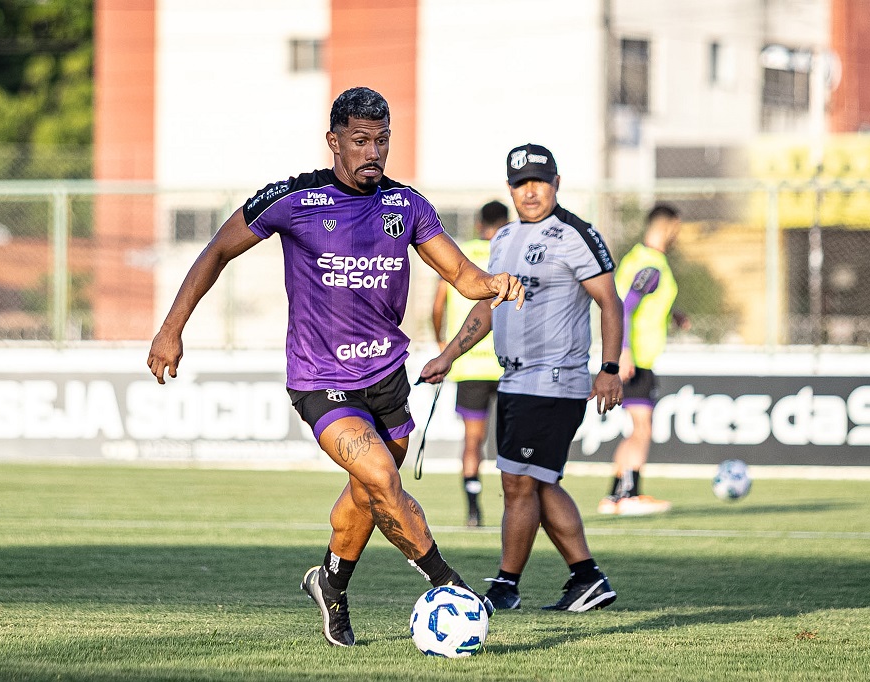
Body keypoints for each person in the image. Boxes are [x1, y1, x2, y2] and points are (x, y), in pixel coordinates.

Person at [147, 87, 525, 647]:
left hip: (388, 377)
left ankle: (331, 583)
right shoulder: (294, 199)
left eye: (382, 140)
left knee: (368, 495)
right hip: (322, 380)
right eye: (361, 140)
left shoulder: (407, 206)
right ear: (334, 142)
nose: (374, 152)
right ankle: (453, 587)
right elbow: (217, 251)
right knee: (380, 479)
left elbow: (464, 278)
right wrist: (171, 327)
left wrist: (494, 283)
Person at [420, 143, 624, 612]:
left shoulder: (576, 234)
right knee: (536, 481)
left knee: (518, 481)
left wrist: (610, 369)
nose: (529, 191)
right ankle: (586, 577)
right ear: (509, 188)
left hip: (555, 380)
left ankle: (506, 586)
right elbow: (488, 305)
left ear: (556, 182)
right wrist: (449, 354)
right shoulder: (503, 238)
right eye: (519, 183)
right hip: (514, 380)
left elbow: (609, 302)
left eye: (538, 181)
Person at [597, 204, 688, 516]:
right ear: (669, 227)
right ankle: (629, 495)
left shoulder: (639, 258)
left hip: (635, 356)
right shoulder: (651, 264)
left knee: (636, 429)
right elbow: (624, 307)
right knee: (642, 429)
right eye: (677, 229)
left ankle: (614, 497)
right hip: (635, 359)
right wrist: (624, 352)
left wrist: (673, 314)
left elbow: (638, 300)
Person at [430, 200, 509, 527]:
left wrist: (442, 343)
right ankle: (515, 508)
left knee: (473, 440)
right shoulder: (507, 256)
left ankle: (474, 510)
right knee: (510, 442)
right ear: (505, 225)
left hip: (468, 364)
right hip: (506, 364)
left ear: (479, 223)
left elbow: (437, 308)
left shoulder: (458, 257)